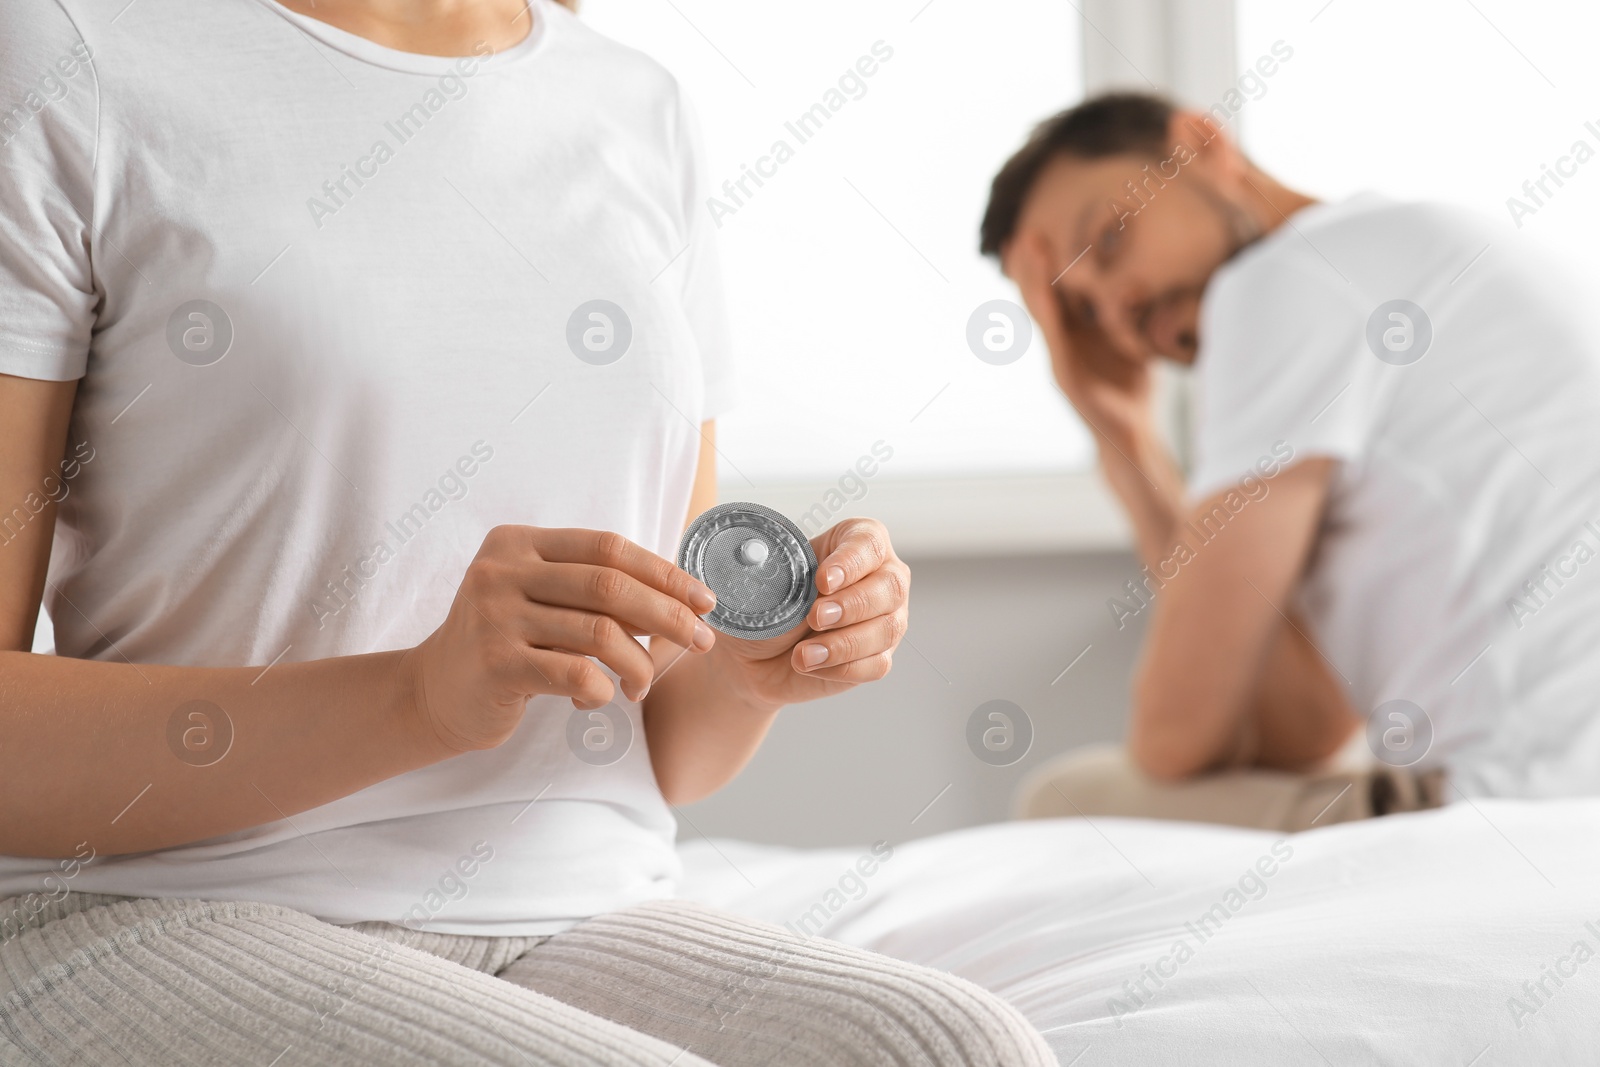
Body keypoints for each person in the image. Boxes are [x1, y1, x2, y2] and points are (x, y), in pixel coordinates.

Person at [0, 1, 1054, 1064]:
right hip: (158, 900)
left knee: (959, 1048)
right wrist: (416, 696)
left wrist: (756, 664)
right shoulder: (74, 54)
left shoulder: (638, 107)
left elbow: (664, 732)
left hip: (578, 902)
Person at [983, 92, 1600, 831]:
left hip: (1520, 805)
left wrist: (1127, 449)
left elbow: (1173, 741)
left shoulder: (1278, 283)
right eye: (1083, 311)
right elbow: (1305, 729)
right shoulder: (1404, 247)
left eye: (1111, 240)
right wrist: (1128, 440)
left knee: (1066, 798)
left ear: (1201, 144)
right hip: (1559, 791)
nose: (1119, 308)